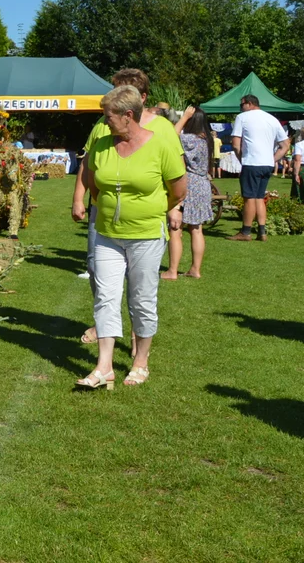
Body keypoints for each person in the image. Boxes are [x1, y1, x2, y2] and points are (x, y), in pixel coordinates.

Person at [75, 85, 187, 389]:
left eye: (108, 116)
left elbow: (178, 189)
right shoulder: (102, 145)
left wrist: (152, 210)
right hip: (108, 235)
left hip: (147, 236)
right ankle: (104, 367)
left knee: (142, 299)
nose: (104, 122)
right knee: (106, 298)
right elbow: (93, 184)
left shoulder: (161, 144)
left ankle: (140, 363)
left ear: (128, 116)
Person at [71, 69, 183, 300]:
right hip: (102, 211)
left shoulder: (162, 128)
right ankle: (102, 323)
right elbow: (88, 164)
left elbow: (176, 173)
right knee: (95, 267)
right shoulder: (105, 123)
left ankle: (136, 331)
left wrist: (173, 207)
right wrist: (78, 199)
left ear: (141, 98)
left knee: (139, 281)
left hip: (146, 220)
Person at [162, 106, 214, 279]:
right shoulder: (206, 140)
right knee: (197, 229)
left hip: (189, 183)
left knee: (176, 228)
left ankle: (172, 270)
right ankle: (195, 269)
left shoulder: (189, 139)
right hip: (203, 184)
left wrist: (184, 117)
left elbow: (172, 134)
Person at [228, 95, 289, 242]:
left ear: (249, 104)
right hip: (267, 164)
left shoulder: (242, 117)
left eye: (241, 104)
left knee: (249, 198)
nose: (240, 107)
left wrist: (242, 159)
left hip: (252, 162)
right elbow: (285, 145)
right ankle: (262, 231)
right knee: (260, 197)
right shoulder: (272, 119)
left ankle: (246, 231)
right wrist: (272, 159)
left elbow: (235, 143)